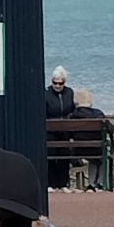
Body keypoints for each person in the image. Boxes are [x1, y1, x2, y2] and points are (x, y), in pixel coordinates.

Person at [43, 65, 77, 193]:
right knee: (50, 156)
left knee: (64, 156)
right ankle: (51, 183)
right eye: (55, 83)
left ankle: (63, 183)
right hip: (50, 129)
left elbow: (72, 109)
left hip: (65, 129)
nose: (57, 85)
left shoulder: (69, 92)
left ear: (64, 82)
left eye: (60, 83)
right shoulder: (46, 93)